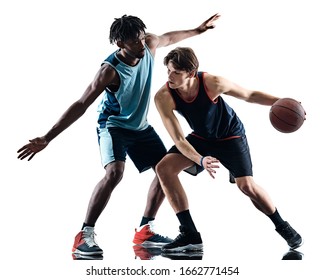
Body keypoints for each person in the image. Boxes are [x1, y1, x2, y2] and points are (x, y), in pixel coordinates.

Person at [17, 14, 220, 257]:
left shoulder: (148, 45)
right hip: (113, 127)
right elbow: (81, 104)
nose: (141, 44)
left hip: (140, 127)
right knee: (115, 173)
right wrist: (48, 137)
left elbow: (168, 38)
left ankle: (145, 229)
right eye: (134, 42)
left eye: (142, 38)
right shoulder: (109, 71)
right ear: (120, 44)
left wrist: (198, 30)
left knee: (165, 169)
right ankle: (84, 234)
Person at [154, 47, 303, 252]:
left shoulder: (213, 83)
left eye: (175, 72)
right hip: (201, 137)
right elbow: (179, 139)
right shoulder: (163, 96)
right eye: (168, 71)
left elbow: (249, 95)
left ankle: (282, 225)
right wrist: (200, 159)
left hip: (230, 136)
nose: (169, 76)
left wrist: (283, 103)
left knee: (246, 187)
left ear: (190, 73)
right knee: (164, 168)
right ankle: (190, 233)